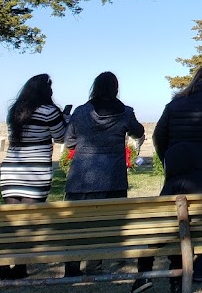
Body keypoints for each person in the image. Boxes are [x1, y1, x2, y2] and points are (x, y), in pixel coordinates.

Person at [133, 65, 202, 293]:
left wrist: (167, 157)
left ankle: (158, 268)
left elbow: (159, 135)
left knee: (170, 218)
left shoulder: (176, 103)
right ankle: (201, 269)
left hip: (178, 165)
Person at [63, 71, 145, 278]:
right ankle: (94, 264)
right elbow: (138, 131)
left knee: (76, 224)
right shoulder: (125, 112)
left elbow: (70, 141)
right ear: (116, 88)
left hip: (81, 176)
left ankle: (72, 267)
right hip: (112, 177)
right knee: (105, 223)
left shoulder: (81, 112)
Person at [0, 74, 68, 280]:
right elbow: (60, 137)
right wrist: (65, 118)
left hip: (11, 170)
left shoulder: (15, 111)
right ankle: (21, 264)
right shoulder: (49, 111)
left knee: (11, 219)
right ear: (45, 91)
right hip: (36, 172)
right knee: (29, 220)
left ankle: (3, 263)